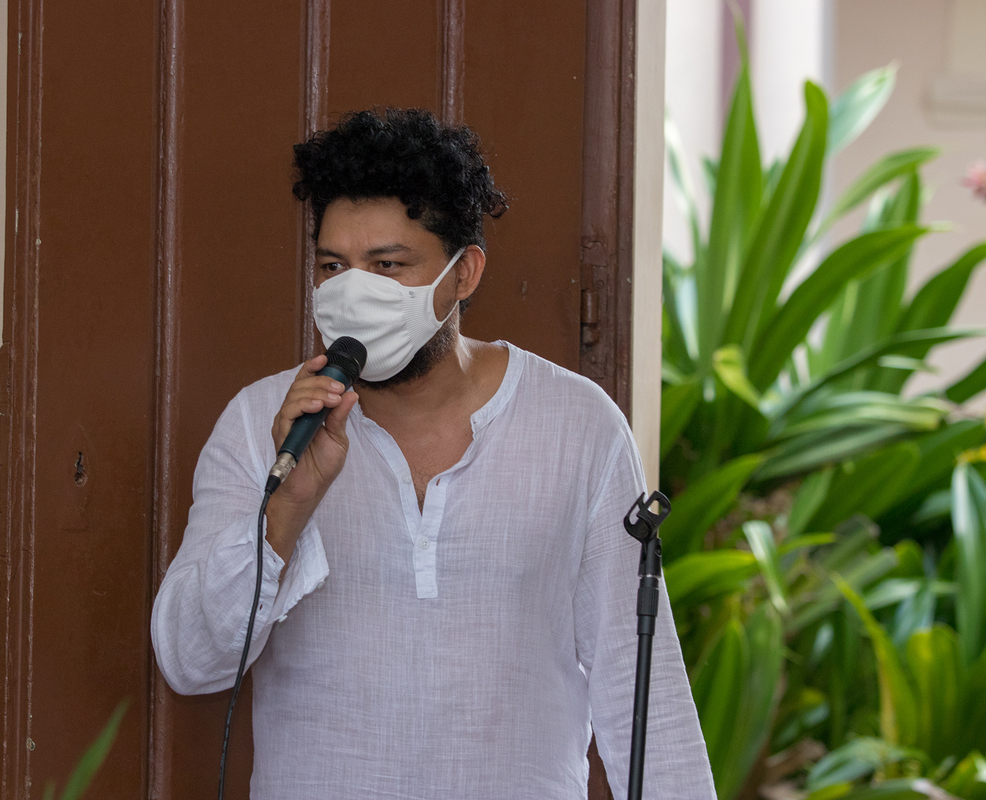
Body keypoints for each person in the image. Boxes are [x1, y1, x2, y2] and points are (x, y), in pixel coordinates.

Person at [151, 107, 716, 800]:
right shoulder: (259, 423)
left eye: (388, 266)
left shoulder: (578, 425)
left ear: (463, 274)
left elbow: (641, 688)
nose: (355, 293)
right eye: (335, 266)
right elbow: (190, 660)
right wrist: (285, 512)